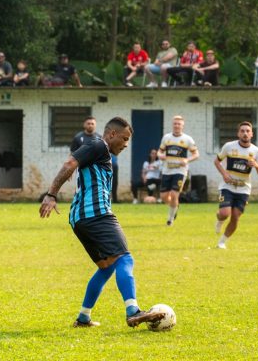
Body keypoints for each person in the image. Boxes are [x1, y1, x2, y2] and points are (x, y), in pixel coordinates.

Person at [38, 116, 165, 328]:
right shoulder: (99, 145)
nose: (125, 144)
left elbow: (74, 164)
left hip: (80, 218)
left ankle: (83, 317)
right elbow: (70, 163)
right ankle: (133, 311)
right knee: (125, 259)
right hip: (96, 214)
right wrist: (51, 194)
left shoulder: (99, 151)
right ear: (112, 134)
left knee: (106, 267)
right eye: (124, 139)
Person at [213, 121, 258, 249]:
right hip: (227, 187)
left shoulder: (256, 151)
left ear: (252, 134)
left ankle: (222, 242)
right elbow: (217, 161)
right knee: (225, 213)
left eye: (248, 131)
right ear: (238, 133)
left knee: (235, 217)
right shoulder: (229, 146)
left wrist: (256, 165)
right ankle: (220, 219)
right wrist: (224, 174)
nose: (245, 133)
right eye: (242, 131)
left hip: (244, 189)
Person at [157, 115, 200, 226]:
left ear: (182, 126)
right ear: (173, 125)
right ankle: (175, 206)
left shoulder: (187, 139)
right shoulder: (166, 138)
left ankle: (170, 220)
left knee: (174, 194)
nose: (177, 126)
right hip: (167, 170)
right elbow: (159, 152)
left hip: (180, 171)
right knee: (164, 196)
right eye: (175, 123)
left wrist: (187, 160)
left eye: (179, 124)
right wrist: (161, 156)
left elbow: (196, 154)